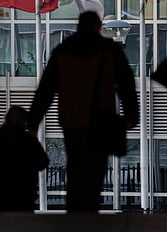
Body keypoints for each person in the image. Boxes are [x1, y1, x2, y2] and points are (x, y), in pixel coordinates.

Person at [28, 11, 138, 213]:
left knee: (76, 166)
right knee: (95, 169)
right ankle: (90, 211)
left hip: (72, 120)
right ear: (99, 27)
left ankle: (75, 211)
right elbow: (126, 85)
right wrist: (132, 116)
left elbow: (45, 90)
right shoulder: (109, 50)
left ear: (79, 26)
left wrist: (34, 121)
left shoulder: (63, 51)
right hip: (101, 120)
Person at [0, 105, 49, 213]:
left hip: (4, 191)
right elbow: (43, 162)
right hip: (26, 191)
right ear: (24, 121)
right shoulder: (29, 141)